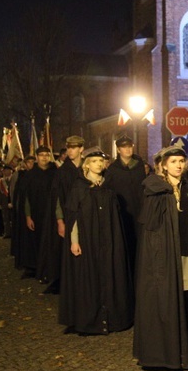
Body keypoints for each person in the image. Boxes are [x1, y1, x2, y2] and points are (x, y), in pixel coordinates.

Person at [133, 145, 188, 369]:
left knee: (186, 300)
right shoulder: (155, 190)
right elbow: (150, 228)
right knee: (165, 300)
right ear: (163, 164)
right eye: (173, 161)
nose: (179, 165)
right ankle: (166, 349)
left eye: (181, 161)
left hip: (186, 251)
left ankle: (185, 343)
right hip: (163, 257)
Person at [59, 147, 134, 335]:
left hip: (108, 241)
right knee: (89, 277)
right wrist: (74, 241)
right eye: (94, 161)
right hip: (88, 240)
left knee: (109, 275)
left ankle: (111, 318)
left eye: (101, 161)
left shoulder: (108, 187)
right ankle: (91, 319)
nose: (99, 164)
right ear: (87, 164)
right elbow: (73, 217)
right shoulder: (79, 187)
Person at [38, 135, 84, 294]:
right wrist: (60, 221)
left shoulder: (86, 167)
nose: (70, 151)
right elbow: (57, 198)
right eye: (69, 148)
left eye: (74, 147)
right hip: (68, 216)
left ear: (81, 149)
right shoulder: (62, 171)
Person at [106, 134, 147, 272]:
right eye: (124, 147)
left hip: (139, 211)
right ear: (118, 150)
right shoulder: (113, 169)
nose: (128, 150)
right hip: (122, 213)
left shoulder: (139, 166)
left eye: (130, 146)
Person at [19, 147, 57, 278]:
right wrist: (28, 216)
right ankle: (35, 266)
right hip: (36, 214)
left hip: (52, 214)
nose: (44, 157)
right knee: (36, 241)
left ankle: (49, 267)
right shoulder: (30, 175)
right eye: (42, 155)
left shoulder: (55, 173)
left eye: (47, 155)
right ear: (37, 157)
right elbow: (26, 199)